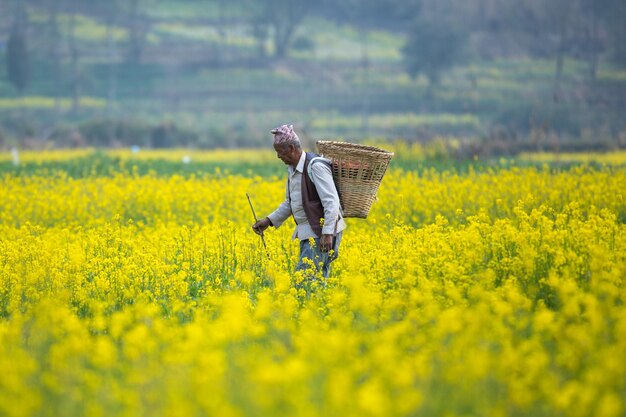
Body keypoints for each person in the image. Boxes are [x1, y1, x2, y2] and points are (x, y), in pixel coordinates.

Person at [252, 124, 346, 280]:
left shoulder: (315, 167)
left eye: (280, 152)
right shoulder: (293, 169)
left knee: (305, 281)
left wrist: (328, 233)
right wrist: (269, 221)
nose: (278, 157)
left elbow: (331, 201)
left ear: (291, 148)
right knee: (315, 281)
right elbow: (290, 202)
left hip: (321, 232)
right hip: (309, 233)